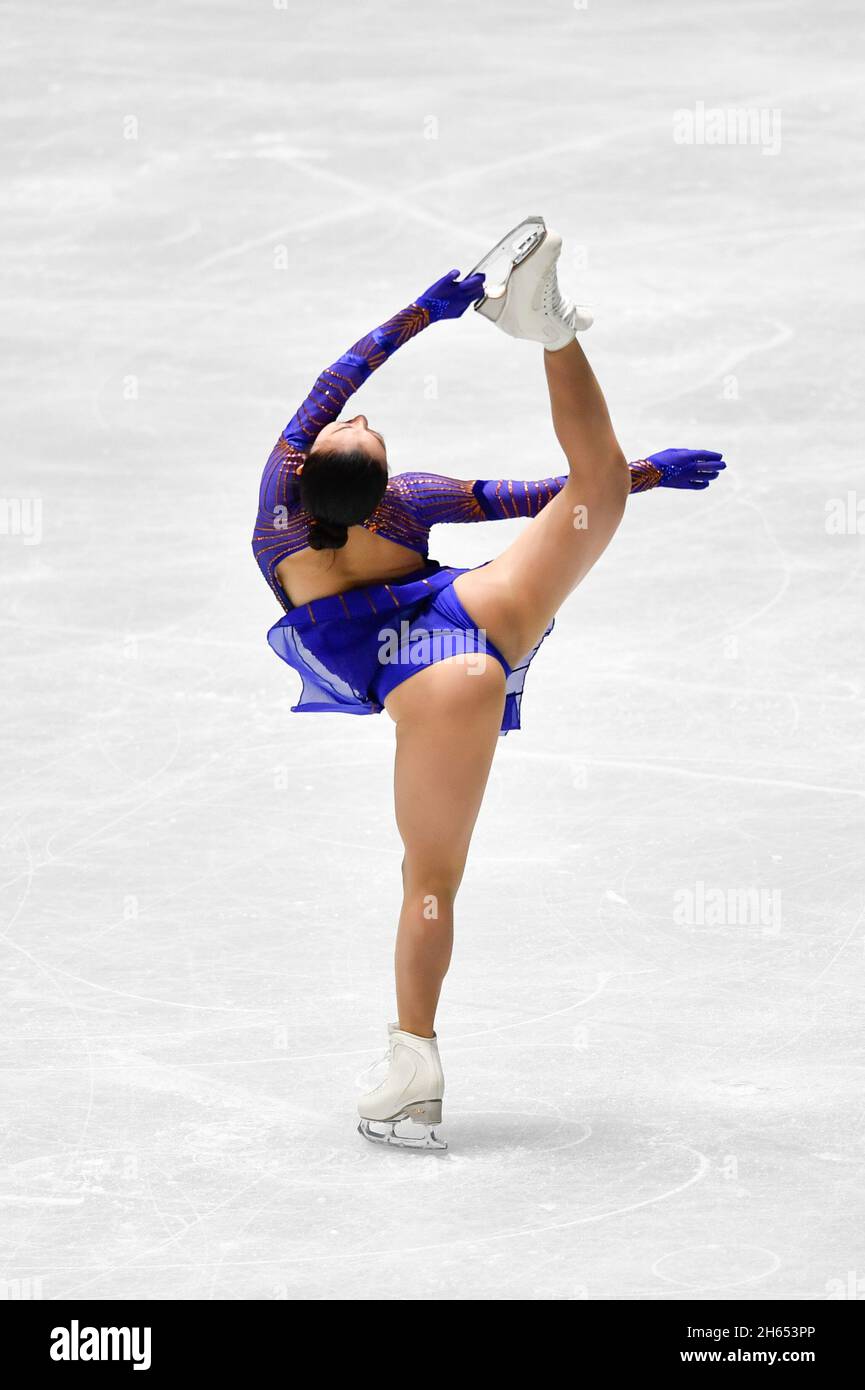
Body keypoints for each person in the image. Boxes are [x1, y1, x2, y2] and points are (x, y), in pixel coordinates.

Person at [252, 222, 725, 1148]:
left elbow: (328, 388)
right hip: (474, 617)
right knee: (595, 489)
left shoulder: (282, 499)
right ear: (375, 473)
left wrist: (421, 315)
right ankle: (551, 334)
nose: (353, 419)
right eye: (363, 431)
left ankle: (413, 1070)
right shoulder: (412, 494)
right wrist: (640, 477)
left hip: (436, 676)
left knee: (429, 881)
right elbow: (536, 495)